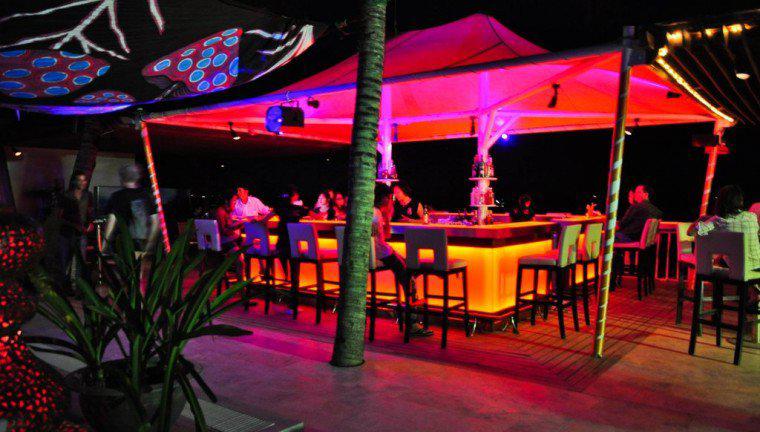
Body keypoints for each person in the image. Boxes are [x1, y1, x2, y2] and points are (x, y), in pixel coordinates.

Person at [373, 185, 433, 337]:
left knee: (407, 266)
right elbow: (381, 245)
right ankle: (412, 323)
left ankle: (412, 275)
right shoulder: (377, 214)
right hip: (378, 254)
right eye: (390, 197)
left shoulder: (370, 212)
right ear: (385, 198)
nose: (392, 199)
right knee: (409, 275)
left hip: (368, 256)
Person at [691, 185, 760, 271]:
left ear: (721, 202)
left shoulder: (719, 220)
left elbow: (691, 232)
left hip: (738, 269)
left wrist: (701, 220)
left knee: (717, 259)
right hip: (756, 266)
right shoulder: (752, 216)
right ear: (740, 201)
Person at [103, 164, 159, 254]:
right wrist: (149, 245)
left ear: (122, 178)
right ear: (138, 177)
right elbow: (156, 222)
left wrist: (104, 246)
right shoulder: (148, 196)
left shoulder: (116, 197)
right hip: (143, 241)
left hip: (122, 243)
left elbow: (111, 222)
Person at [58, 170, 93, 292]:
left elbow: (90, 212)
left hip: (81, 233)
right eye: (80, 180)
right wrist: (74, 225)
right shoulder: (66, 196)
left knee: (80, 260)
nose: (83, 182)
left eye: (84, 180)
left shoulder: (88, 195)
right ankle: (65, 287)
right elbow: (60, 216)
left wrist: (89, 224)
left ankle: (77, 288)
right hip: (66, 232)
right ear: (75, 181)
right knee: (65, 261)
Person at [273, 185, 310, 276]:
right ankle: (294, 280)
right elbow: (316, 215)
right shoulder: (298, 209)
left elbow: (265, 219)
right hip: (293, 245)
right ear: (293, 196)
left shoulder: (279, 209)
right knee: (293, 252)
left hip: (281, 245)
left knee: (285, 251)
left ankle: (286, 276)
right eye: (296, 194)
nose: (298, 196)